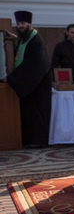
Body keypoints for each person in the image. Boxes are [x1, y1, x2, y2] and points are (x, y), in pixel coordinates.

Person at [6, 10, 51, 147]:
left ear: (30, 24)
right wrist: (13, 38)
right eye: (19, 23)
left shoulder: (35, 40)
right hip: (29, 84)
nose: (20, 26)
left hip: (36, 85)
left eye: (23, 23)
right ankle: (28, 140)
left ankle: (37, 141)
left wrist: (13, 78)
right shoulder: (25, 38)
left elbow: (34, 65)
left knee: (36, 114)